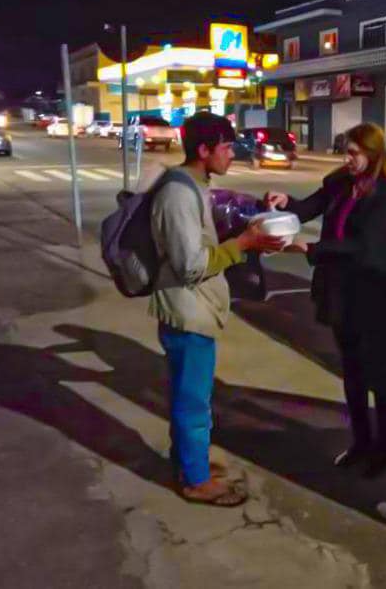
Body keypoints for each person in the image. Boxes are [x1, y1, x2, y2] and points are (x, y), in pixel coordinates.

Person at [151, 112, 285, 506]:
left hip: (194, 309)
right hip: (186, 311)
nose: (232, 154)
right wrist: (243, 244)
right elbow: (190, 265)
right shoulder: (178, 193)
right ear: (204, 150)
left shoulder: (194, 184)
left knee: (190, 396)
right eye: (226, 147)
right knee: (194, 401)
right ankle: (195, 480)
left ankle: (189, 463)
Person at [265, 123, 386, 478]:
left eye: (354, 153)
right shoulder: (340, 183)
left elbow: (367, 247)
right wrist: (287, 204)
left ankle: (383, 449)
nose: (347, 159)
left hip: (375, 295)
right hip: (340, 293)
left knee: (379, 375)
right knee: (353, 373)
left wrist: (311, 249)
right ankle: (360, 442)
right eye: (345, 151)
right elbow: (309, 207)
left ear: (373, 155)